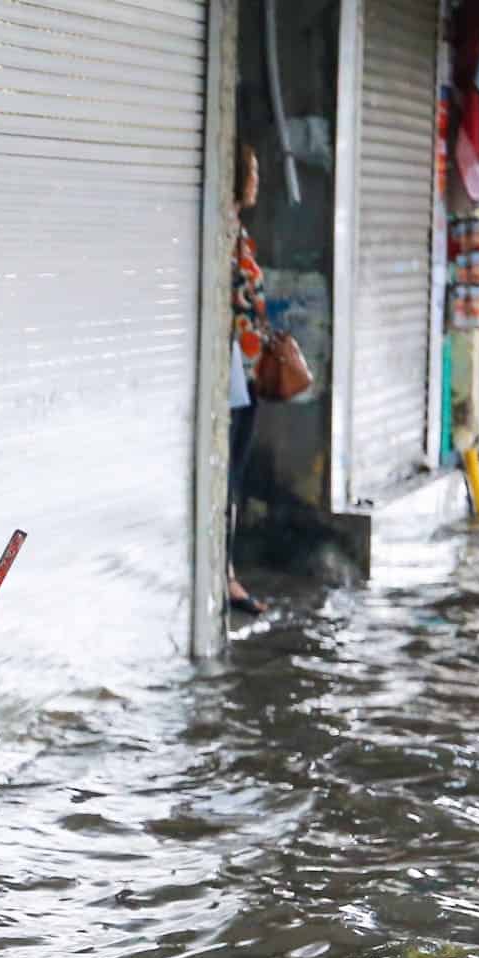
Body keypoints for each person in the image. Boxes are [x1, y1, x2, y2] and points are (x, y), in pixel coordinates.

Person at [229, 146, 270, 617]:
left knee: (235, 478)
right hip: (234, 375)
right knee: (230, 478)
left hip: (245, 372)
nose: (257, 179)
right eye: (252, 170)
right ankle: (227, 577)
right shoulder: (227, 231)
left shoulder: (236, 229)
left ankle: (229, 573)